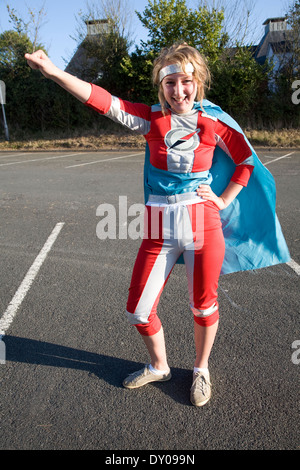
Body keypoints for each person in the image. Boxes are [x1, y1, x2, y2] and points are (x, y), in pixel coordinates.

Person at [24, 42, 288, 407]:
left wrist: (224, 199)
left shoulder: (213, 119)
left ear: (198, 81)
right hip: (158, 227)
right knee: (137, 308)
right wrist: (54, 73)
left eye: (185, 81)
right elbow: (102, 100)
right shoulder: (149, 117)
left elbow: (246, 162)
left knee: (203, 305)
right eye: (170, 83)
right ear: (160, 85)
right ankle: (160, 365)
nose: (178, 91)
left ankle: (201, 370)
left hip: (203, 225)